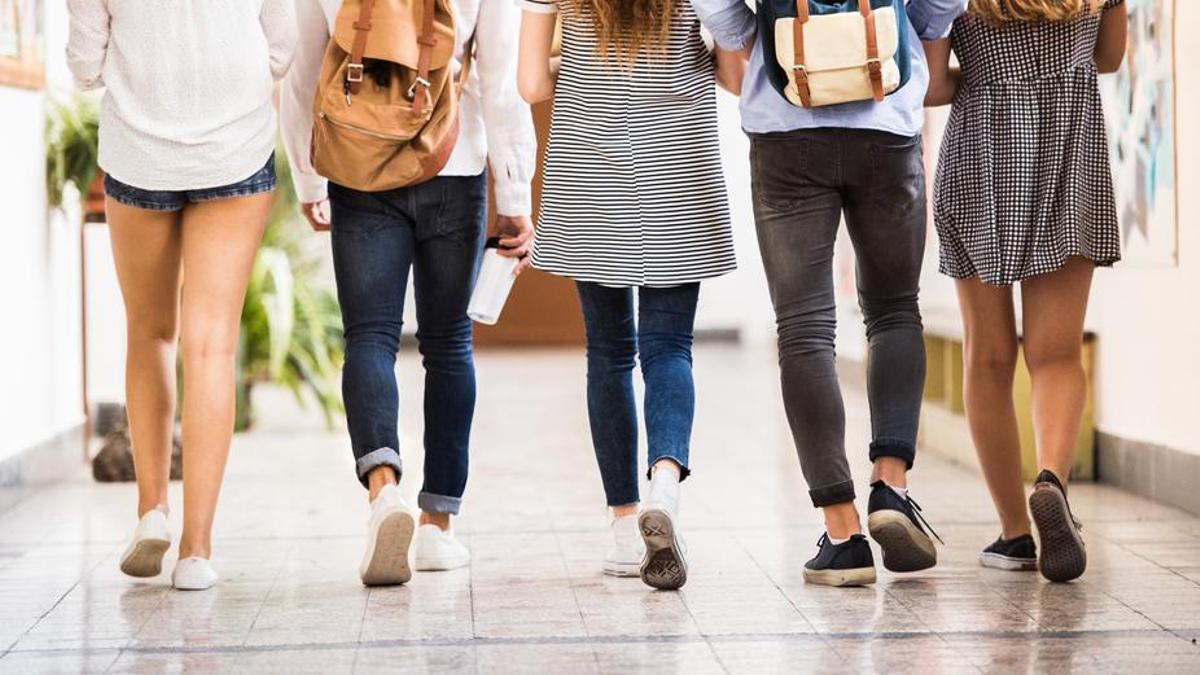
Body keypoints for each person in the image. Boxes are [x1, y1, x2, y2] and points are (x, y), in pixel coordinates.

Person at [692, 0, 967, 586]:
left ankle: (842, 535)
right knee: (894, 309)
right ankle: (891, 485)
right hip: (886, 122)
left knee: (803, 330)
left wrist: (760, 41)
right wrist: (904, 33)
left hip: (785, 132)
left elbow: (716, 7)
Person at [281, 0, 536, 586]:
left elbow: (302, 71)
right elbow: (500, 81)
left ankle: (383, 490)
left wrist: (306, 173)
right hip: (454, 159)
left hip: (357, 163)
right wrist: (515, 198)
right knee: (448, 345)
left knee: (369, 336)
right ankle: (437, 527)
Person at [66, 0, 296, 590]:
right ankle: (196, 550)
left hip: (139, 151)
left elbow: (86, 64)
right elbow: (281, 47)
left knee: (149, 333)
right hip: (234, 146)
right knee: (211, 346)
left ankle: (151, 511)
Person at [518, 0, 744, 590]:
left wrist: (577, 54)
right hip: (679, 170)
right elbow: (736, 76)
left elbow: (529, 82)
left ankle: (623, 525)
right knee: (669, 347)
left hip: (588, 171)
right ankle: (664, 484)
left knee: (609, 353)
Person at [925, 0, 1126, 582]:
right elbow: (1109, 57)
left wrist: (990, 77)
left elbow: (934, 86)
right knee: (1057, 353)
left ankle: (1015, 535)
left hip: (981, 153)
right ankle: (1051, 480)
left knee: (988, 354)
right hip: (1071, 145)